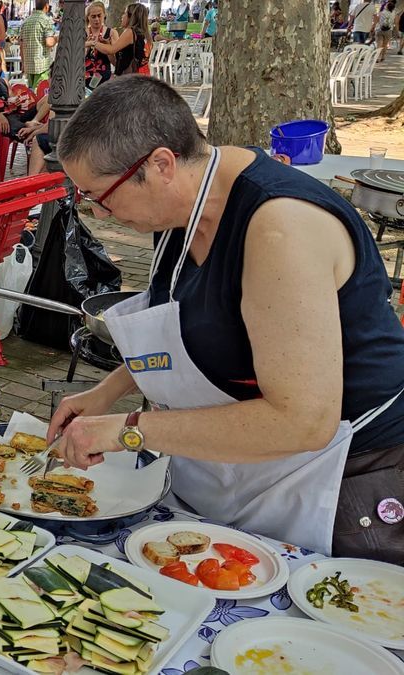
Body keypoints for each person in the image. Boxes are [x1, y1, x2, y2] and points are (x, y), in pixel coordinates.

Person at [52, 76, 404, 564]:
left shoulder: (281, 228)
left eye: (99, 195)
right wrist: (104, 394)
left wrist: (129, 429)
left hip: (344, 482)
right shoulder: (186, 204)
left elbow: (303, 422)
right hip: (245, 471)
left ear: (160, 165)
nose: (99, 213)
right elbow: (188, 336)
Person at [91, 2, 149, 75]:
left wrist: (92, 43)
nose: (122, 16)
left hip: (128, 79)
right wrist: (108, 44)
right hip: (134, 76)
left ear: (131, 17)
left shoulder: (130, 32)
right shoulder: (140, 33)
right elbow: (116, 60)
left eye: (125, 13)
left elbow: (111, 50)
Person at [19, 0, 56, 89]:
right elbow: (49, 42)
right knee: (41, 94)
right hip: (42, 65)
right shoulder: (46, 20)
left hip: (29, 65)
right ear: (47, 6)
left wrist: (23, 64)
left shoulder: (26, 21)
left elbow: (21, 45)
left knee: (32, 94)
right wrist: (58, 38)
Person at [83, 0, 112, 88]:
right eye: (93, 16)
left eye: (99, 15)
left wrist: (109, 48)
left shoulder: (111, 33)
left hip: (104, 80)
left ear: (104, 15)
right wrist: (87, 47)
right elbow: (77, 59)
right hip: (84, 78)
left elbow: (116, 62)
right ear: (88, 17)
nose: (97, 19)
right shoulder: (82, 33)